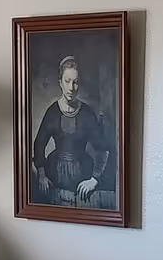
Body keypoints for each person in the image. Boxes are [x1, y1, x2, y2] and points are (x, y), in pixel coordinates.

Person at [31, 56, 113, 207]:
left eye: (75, 82)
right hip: (54, 178)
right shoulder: (52, 112)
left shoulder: (87, 113)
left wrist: (94, 179)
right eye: (67, 81)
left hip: (82, 179)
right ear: (60, 83)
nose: (71, 88)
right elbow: (39, 144)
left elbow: (102, 147)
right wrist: (42, 175)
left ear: (79, 84)